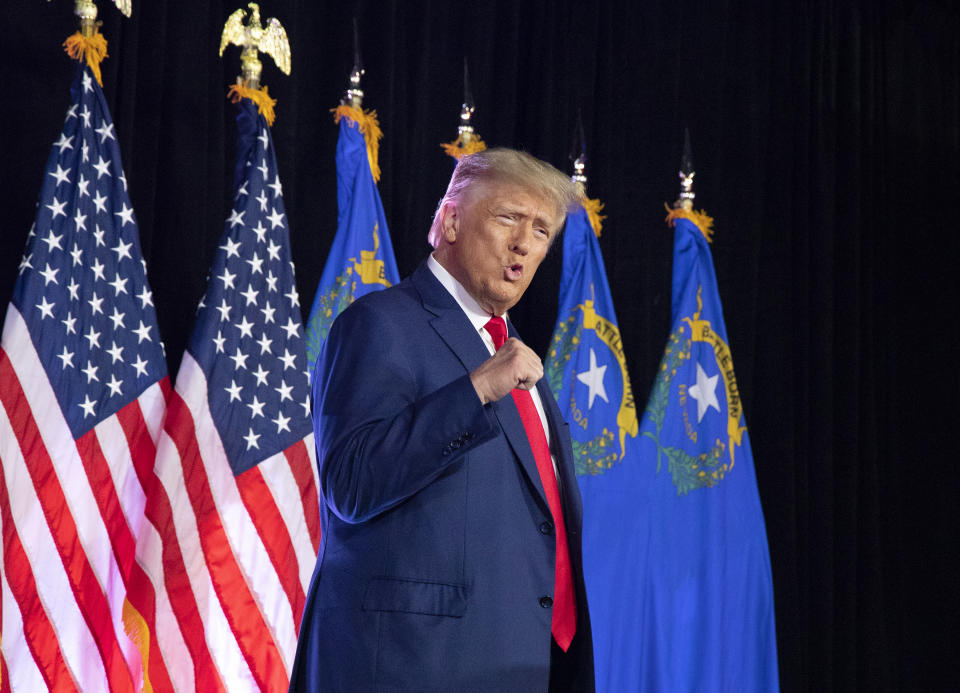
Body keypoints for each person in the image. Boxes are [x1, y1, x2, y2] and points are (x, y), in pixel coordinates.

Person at [290, 148, 594, 692]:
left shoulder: (519, 356)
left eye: (542, 230)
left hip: (522, 665)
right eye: (508, 218)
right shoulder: (379, 324)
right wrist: (475, 389)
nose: (525, 242)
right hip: (412, 666)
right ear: (451, 221)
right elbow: (350, 483)